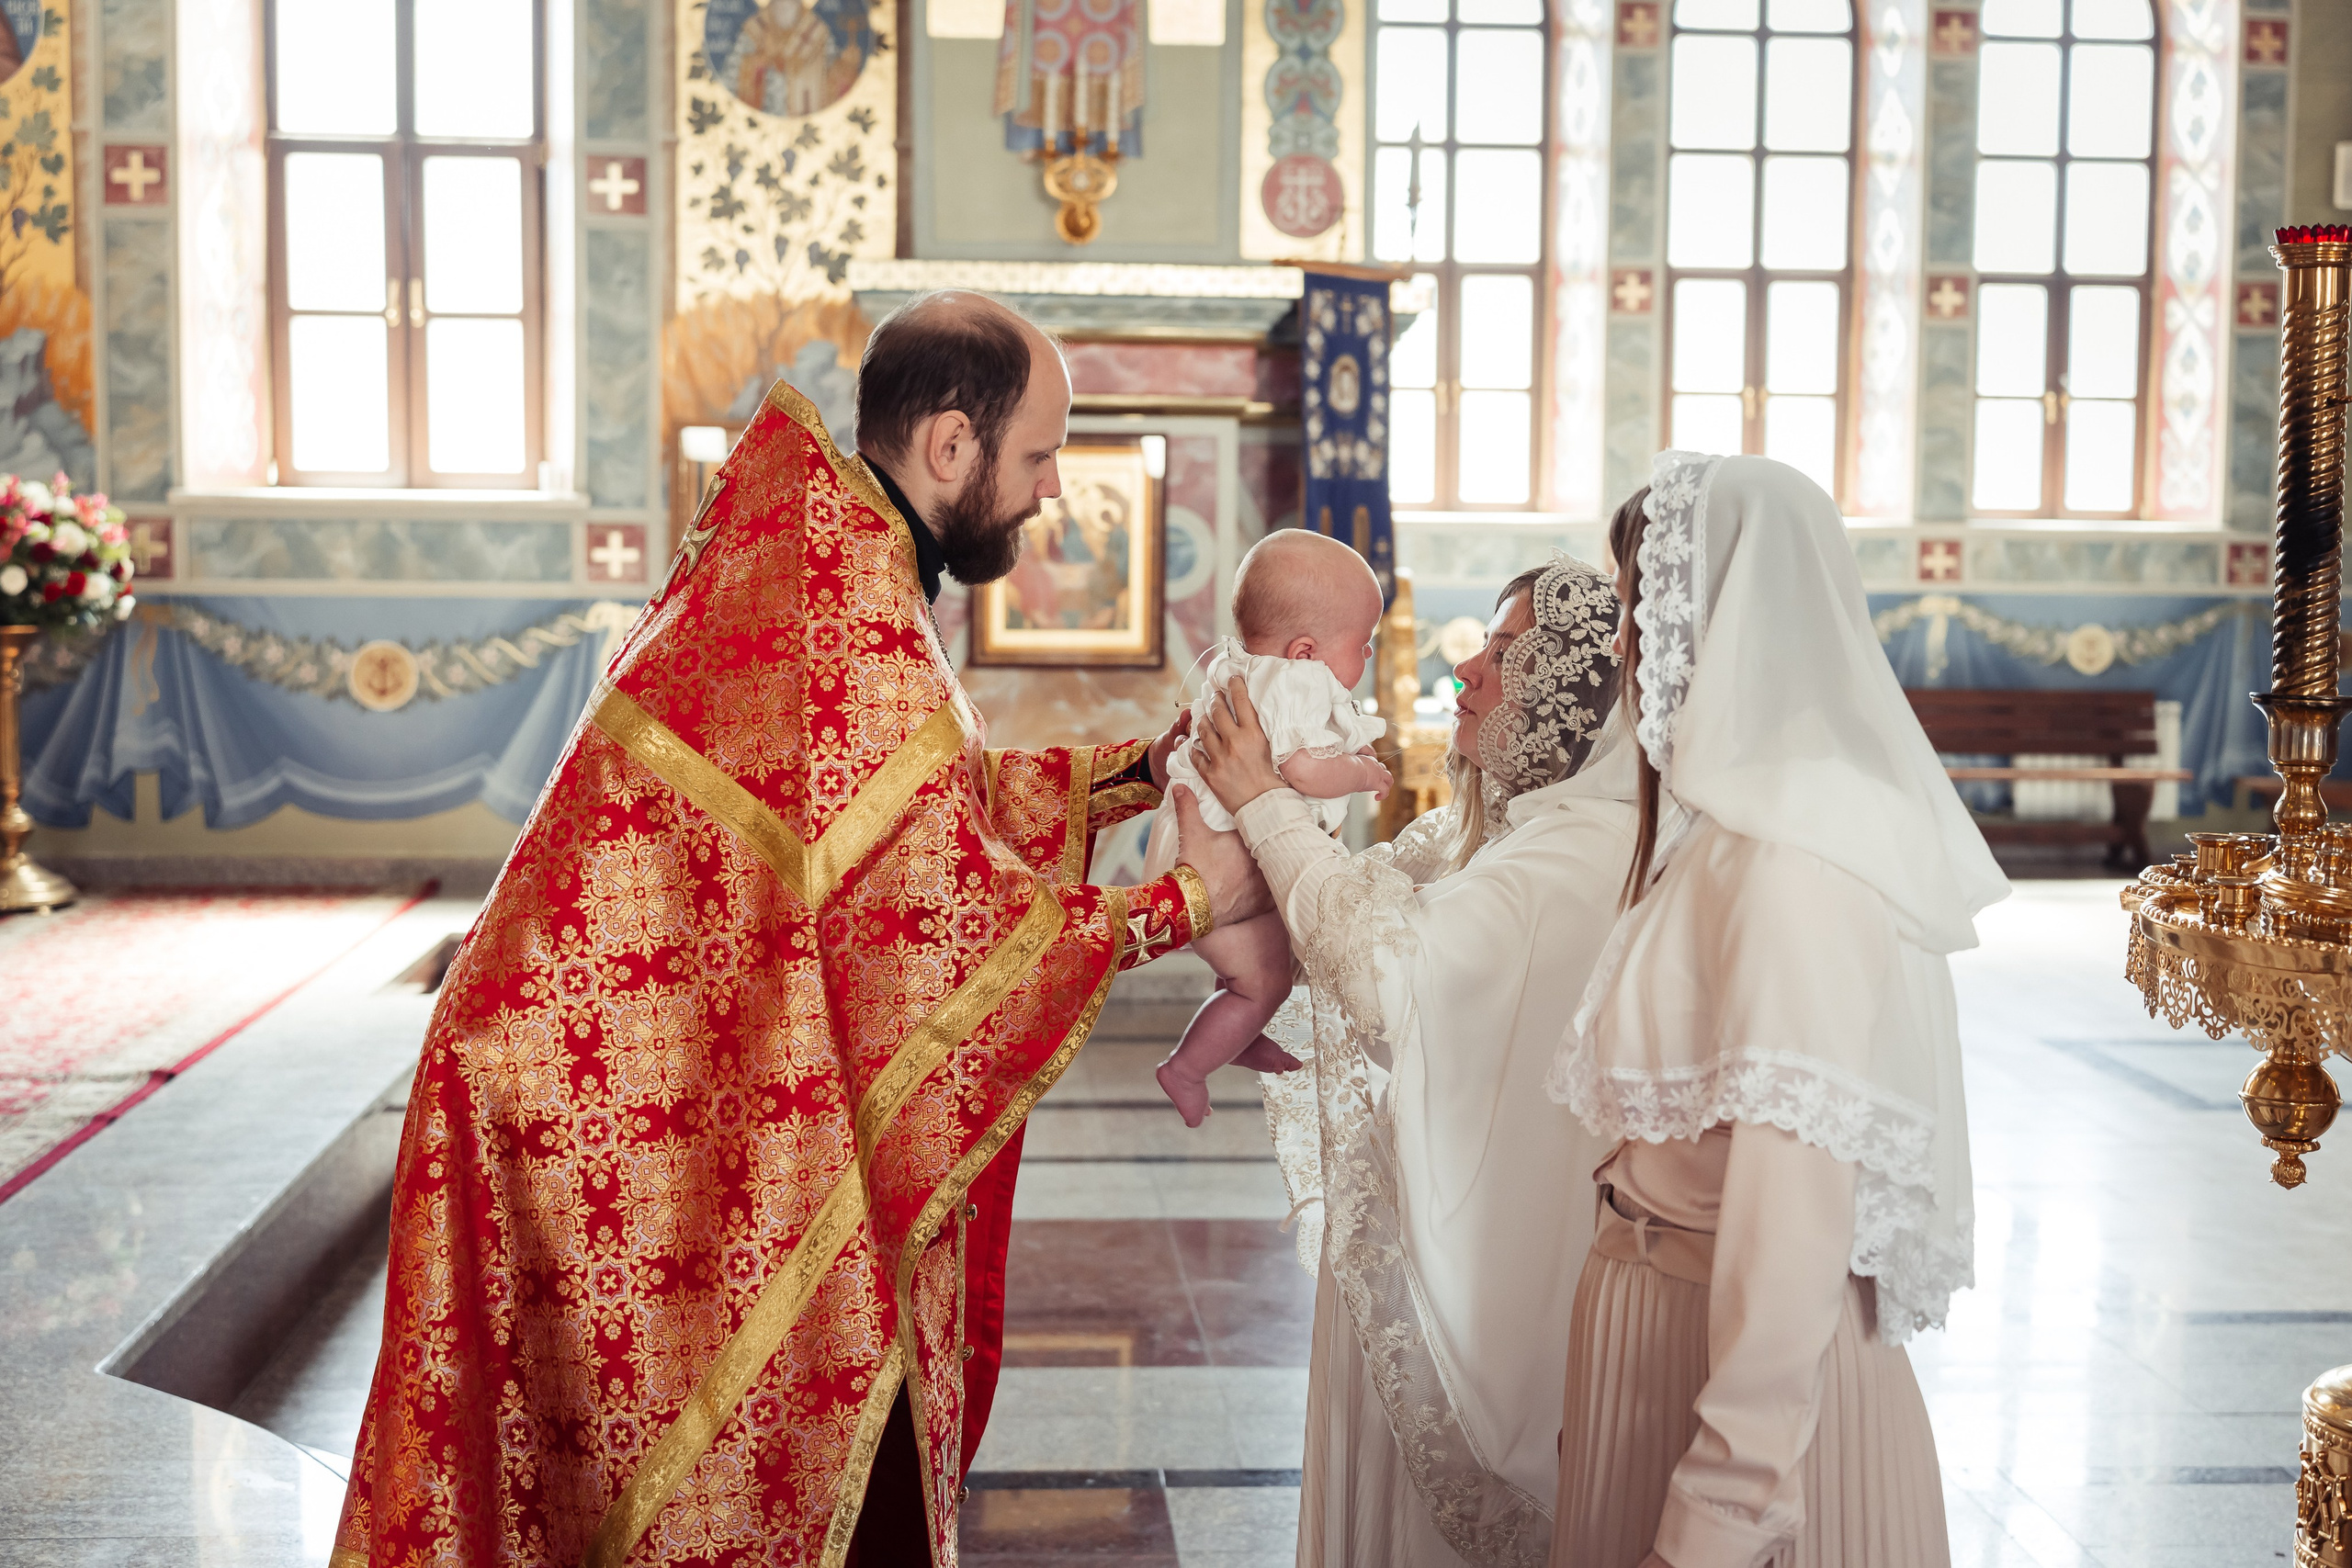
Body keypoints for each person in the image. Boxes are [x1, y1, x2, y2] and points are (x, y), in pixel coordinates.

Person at [327, 290, 1270, 1568]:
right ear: (953, 445)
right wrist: (1194, 898)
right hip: (595, 1098)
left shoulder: (829, 553)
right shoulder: (848, 608)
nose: (1049, 491)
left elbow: (909, 824)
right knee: (771, 1435)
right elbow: (944, 930)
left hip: (580, 1066)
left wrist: (1138, 772)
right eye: (1039, 455)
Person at [1546, 452, 2008, 1568]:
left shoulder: (1796, 853)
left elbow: (1794, 1205)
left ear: (1721, 611)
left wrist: (1722, 1510)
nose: (1621, 649)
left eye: (1633, 609)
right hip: (1659, 1344)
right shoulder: (1735, 827)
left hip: (1746, 1418)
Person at [1189, 552, 1633, 1567]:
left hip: (1476, 1262)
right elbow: (1364, 893)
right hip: (1423, 1231)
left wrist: (1264, 803)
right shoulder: (1501, 829)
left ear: (1570, 690)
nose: (1468, 671)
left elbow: (1383, 972)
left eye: (1505, 650)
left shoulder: (1574, 852)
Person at [1143, 528, 1393, 1126]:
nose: (1370, 656)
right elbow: (1302, 770)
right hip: (1212, 861)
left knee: (1260, 970)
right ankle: (1187, 1066)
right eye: (1366, 643)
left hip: (1190, 843)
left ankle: (1238, 1034)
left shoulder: (1240, 667)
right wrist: (1360, 772)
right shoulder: (1298, 689)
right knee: (1262, 982)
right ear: (1306, 652)